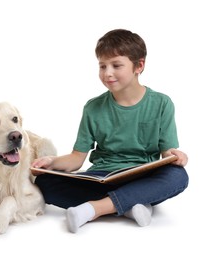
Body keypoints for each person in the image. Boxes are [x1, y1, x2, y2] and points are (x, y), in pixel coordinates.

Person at [31, 29, 189, 233]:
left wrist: (175, 156)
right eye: (102, 66)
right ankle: (128, 207)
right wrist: (51, 162)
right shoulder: (92, 108)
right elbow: (77, 158)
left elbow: (167, 152)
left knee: (178, 176)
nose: (107, 73)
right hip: (102, 177)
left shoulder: (162, 103)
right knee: (44, 182)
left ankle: (94, 208)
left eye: (116, 65)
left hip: (142, 176)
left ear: (139, 66)